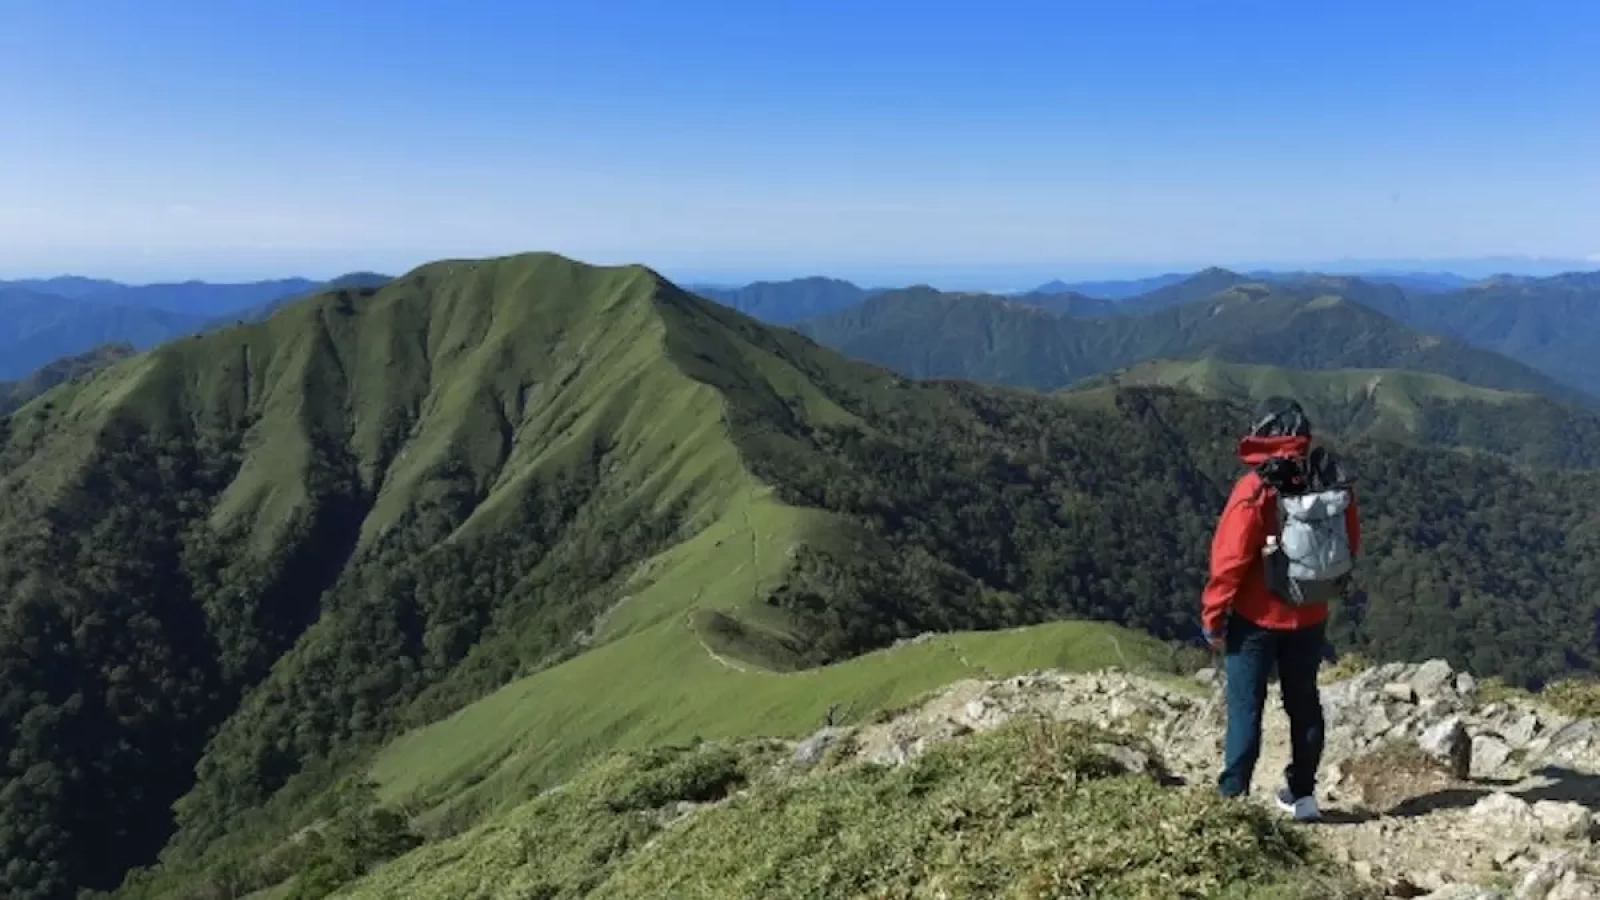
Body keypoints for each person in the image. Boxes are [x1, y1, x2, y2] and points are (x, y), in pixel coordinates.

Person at [1200, 398, 1360, 821]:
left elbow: (1229, 560)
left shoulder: (1256, 486)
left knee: (1246, 706)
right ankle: (1303, 797)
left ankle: (1232, 798)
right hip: (1310, 614)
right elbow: (1349, 544)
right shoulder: (1329, 482)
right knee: (1304, 703)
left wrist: (1213, 617)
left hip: (1256, 618)